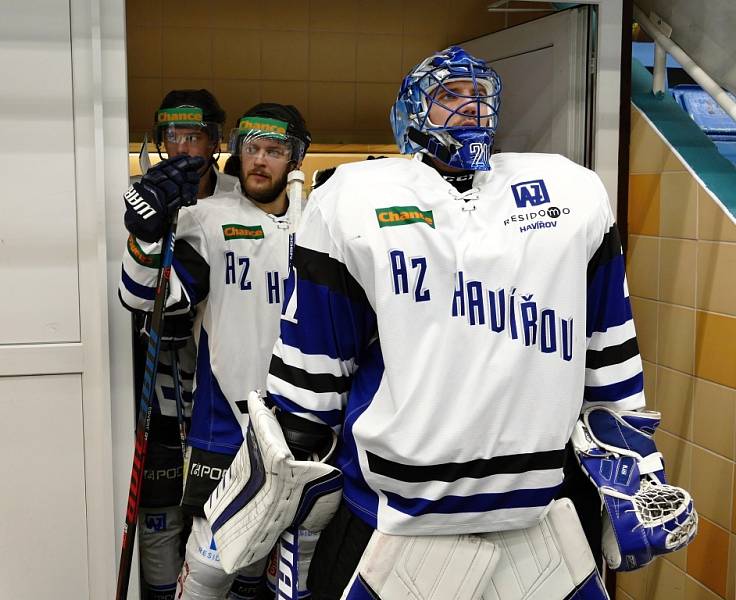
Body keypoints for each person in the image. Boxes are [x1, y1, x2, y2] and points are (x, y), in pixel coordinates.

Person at [203, 46, 698, 599]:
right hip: (393, 522)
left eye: (479, 96)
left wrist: (639, 472)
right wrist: (288, 503)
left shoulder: (572, 193)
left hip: (534, 520)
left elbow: (608, 353)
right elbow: (311, 381)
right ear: (410, 115)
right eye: (449, 96)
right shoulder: (355, 198)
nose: (469, 107)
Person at [120, 102, 313, 600]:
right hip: (226, 428)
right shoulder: (209, 219)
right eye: (252, 148)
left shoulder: (320, 224)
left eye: (274, 150)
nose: (260, 160)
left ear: (295, 158)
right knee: (209, 571)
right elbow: (144, 297)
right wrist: (145, 236)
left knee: (274, 577)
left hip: (304, 433)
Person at [122, 88, 237, 600]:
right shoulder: (143, 192)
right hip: (162, 383)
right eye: (174, 134)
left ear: (216, 139)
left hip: (224, 387)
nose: (184, 147)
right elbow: (131, 294)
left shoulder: (241, 196)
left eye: (196, 135)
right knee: (160, 515)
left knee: (220, 524)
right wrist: (146, 230)